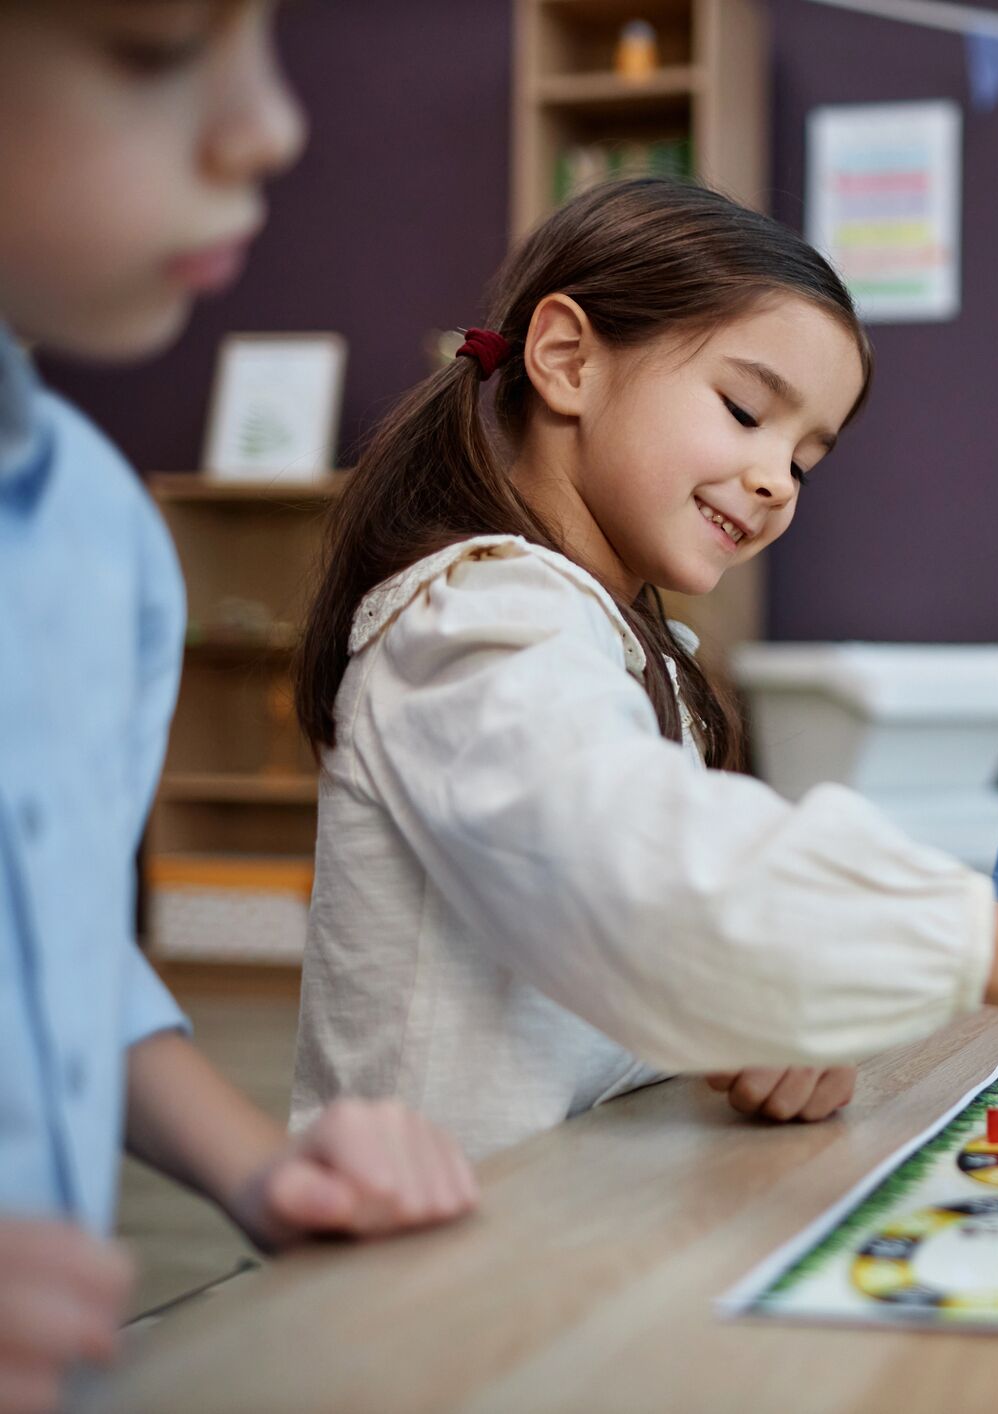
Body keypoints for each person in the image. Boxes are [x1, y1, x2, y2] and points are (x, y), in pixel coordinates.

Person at [287, 177, 998, 1167]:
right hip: (429, 1265)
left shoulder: (616, 637)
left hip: (566, 1223)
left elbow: (626, 957)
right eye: (746, 410)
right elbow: (633, 854)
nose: (779, 479)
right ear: (568, 360)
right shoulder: (473, 621)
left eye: (807, 459)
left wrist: (754, 1023)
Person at [0, 7, 476, 1410]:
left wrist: (262, 1170)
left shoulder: (99, 535)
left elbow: (58, 956)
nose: (272, 123)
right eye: (155, 50)